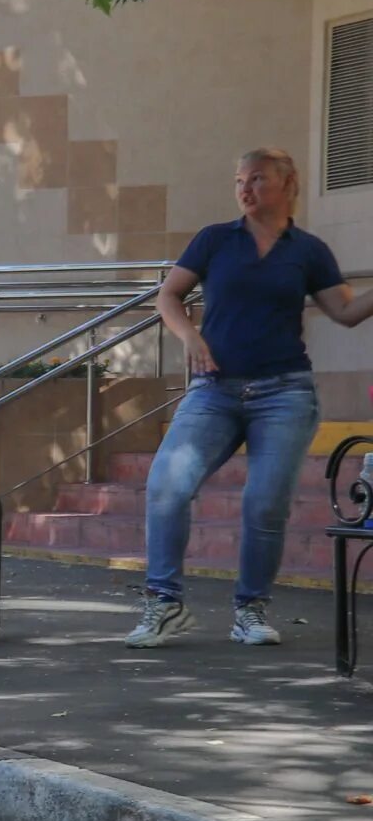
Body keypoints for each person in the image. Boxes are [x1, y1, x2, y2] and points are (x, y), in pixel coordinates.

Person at [127, 147, 373, 647]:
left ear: (287, 184)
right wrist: (191, 338)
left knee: (265, 504)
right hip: (214, 391)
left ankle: (251, 610)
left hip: (285, 394)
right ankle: (164, 603)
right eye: (240, 180)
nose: (245, 188)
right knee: (167, 485)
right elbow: (168, 296)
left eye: (257, 179)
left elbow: (346, 313)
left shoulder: (308, 250)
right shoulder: (216, 240)